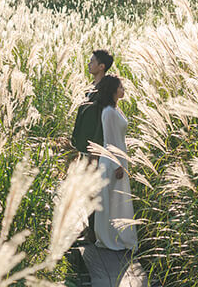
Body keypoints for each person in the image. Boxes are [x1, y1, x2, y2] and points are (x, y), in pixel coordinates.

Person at [65, 49, 113, 287]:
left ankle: (93, 232)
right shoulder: (93, 88)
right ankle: (90, 228)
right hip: (86, 148)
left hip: (95, 149)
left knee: (93, 189)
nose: (89, 63)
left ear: (102, 66)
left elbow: (105, 121)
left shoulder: (105, 90)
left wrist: (96, 151)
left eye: (93, 61)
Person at [84, 74, 138, 287]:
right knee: (112, 202)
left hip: (118, 161)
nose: (123, 89)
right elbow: (109, 141)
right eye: (121, 86)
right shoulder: (107, 112)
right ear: (113, 90)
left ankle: (119, 237)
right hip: (112, 162)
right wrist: (117, 164)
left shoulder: (116, 109)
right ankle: (109, 239)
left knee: (118, 202)